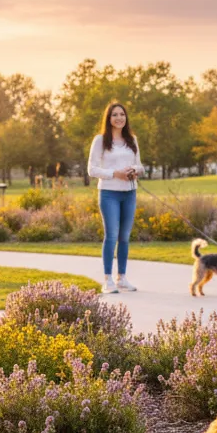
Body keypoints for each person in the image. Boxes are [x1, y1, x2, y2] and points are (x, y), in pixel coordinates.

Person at [87, 102, 142, 294]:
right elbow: (92, 169)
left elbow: (140, 166)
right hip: (109, 193)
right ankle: (108, 280)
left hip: (130, 192)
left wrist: (134, 171)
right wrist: (114, 173)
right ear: (108, 119)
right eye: (114, 115)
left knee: (125, 237)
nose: (119, 118)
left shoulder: (132, 140)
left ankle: (122, 278)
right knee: (111, 236)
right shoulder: (100, 140)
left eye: (122, 114)